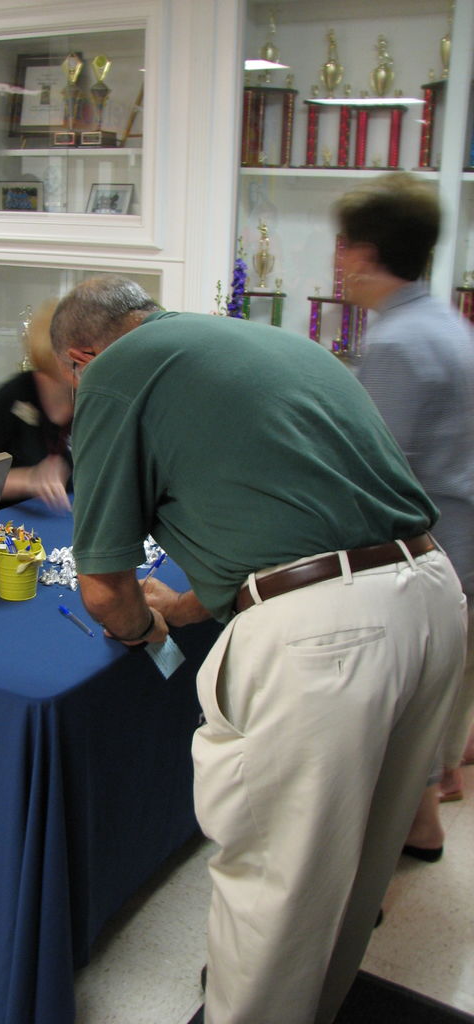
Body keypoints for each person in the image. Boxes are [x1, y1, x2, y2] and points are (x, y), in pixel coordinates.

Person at [49, 276, 467, 1024]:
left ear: (81, 357)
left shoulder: (114, 370)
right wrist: (183, 605)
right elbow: (289, 516)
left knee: (278, 882)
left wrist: (146, 630)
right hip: (432, 594)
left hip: (329, 640)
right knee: (354, 865)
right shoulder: (266, 340)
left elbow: (103, 590)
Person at [335, 172, 474, 856]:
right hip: (459, 544)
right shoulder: (445, 322)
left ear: (362, 255)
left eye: (342, 245)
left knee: (396, 709)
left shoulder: (395, 343)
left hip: (424, 552)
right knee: (423, 706)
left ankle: (396, 846)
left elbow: (378, 471)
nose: (338, 261)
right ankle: (423, 823)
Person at [0, 299, 73, 510]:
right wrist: (30, 480)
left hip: (68, 517)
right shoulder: (12, 397)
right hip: (12, 525)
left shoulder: (88, 398)